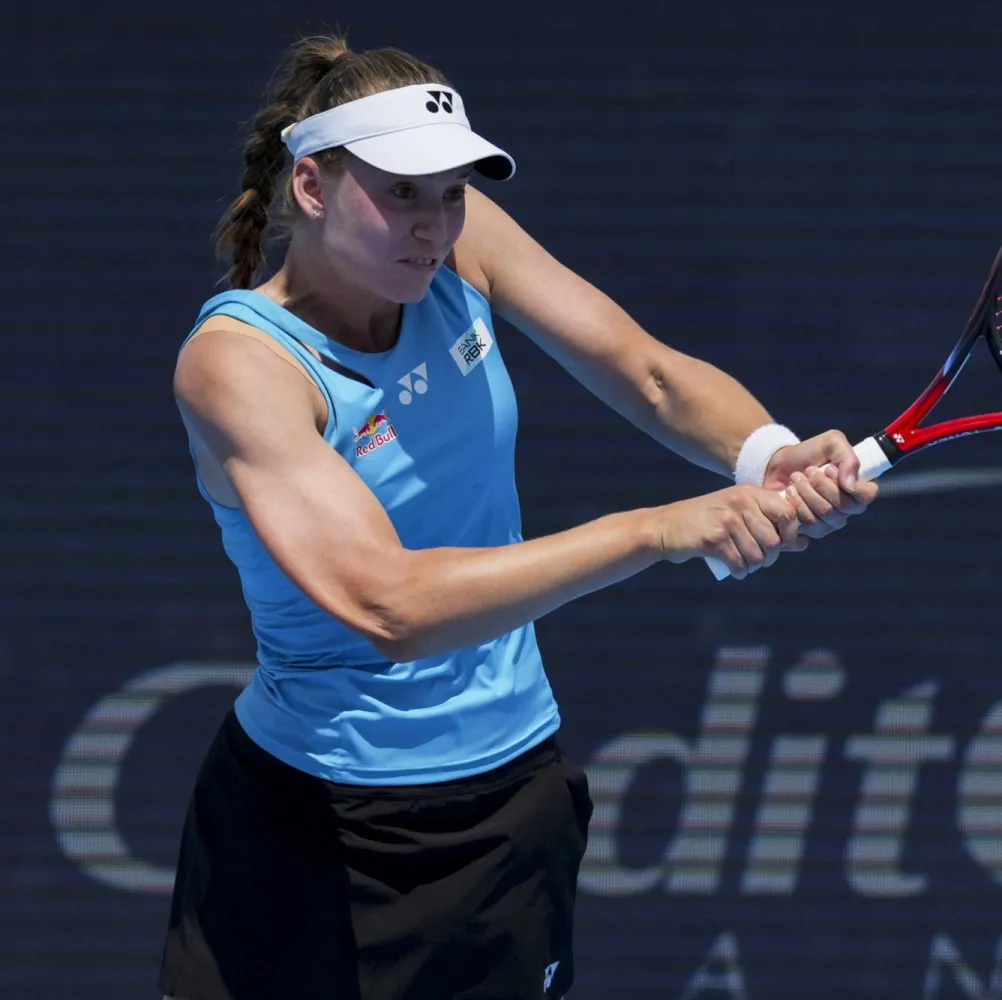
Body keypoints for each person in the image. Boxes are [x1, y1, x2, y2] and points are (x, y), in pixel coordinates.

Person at [159, 31, 878, 1000]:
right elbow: (387, 604)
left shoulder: (461, 246)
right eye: (401, 191)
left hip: (500, 816)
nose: (433, 222)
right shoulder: (241, 365)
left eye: (450, 191)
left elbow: (649, 373)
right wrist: (658, 528)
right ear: (312, 187)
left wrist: (766, 451)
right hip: (304, 828)